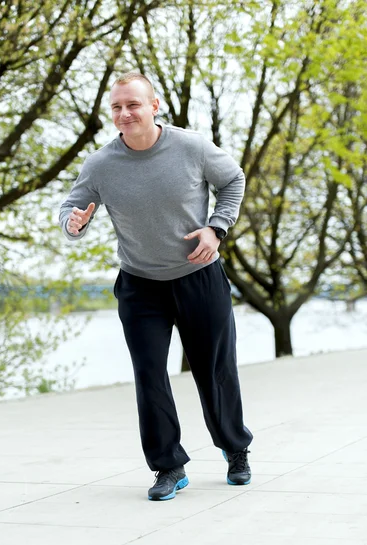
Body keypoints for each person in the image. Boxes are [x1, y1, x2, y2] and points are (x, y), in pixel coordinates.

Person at [59, 71, 253, 501]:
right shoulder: (101, 164)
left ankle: (235, 449)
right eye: (116, 107)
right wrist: (73, 223)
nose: (124, 113)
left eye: (133, 104)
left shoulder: (192, 147)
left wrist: (216, 228)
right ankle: (168, 466)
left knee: (215, 370)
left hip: (199, 277)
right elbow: (72, 207)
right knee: (149, 376)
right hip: (140, 285)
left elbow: (233, 180)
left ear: (154, 105)